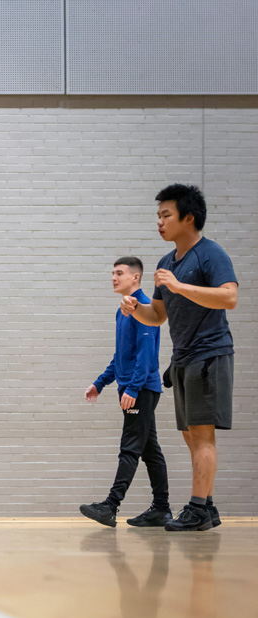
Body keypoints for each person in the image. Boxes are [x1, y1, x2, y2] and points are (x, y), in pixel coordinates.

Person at [122, 184, 238, 531]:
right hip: (183, 358)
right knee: (191, 435)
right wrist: (135, 308)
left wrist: (179, 286)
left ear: (188, 217)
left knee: (202, 435)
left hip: (210, 354)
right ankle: (209, 507)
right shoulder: (164, 264)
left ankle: (198, 508)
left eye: (166, 215)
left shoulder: (209, 254)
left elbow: (229, 297)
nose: (159, 222)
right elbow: (157, 315)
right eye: (158, 216)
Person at [80, 257, 171, 527]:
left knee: (130, 447)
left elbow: (146, 355)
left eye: (119, 273)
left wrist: (132, 387)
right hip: (134, 387)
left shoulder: (143, 307)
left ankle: (110, 505)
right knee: (150, 450)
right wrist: (100, 382)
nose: (114, 278)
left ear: (136, 278)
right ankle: (162, 509)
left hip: (140, 389)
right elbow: (122, 355)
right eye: (112, 273)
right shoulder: (123, 310)